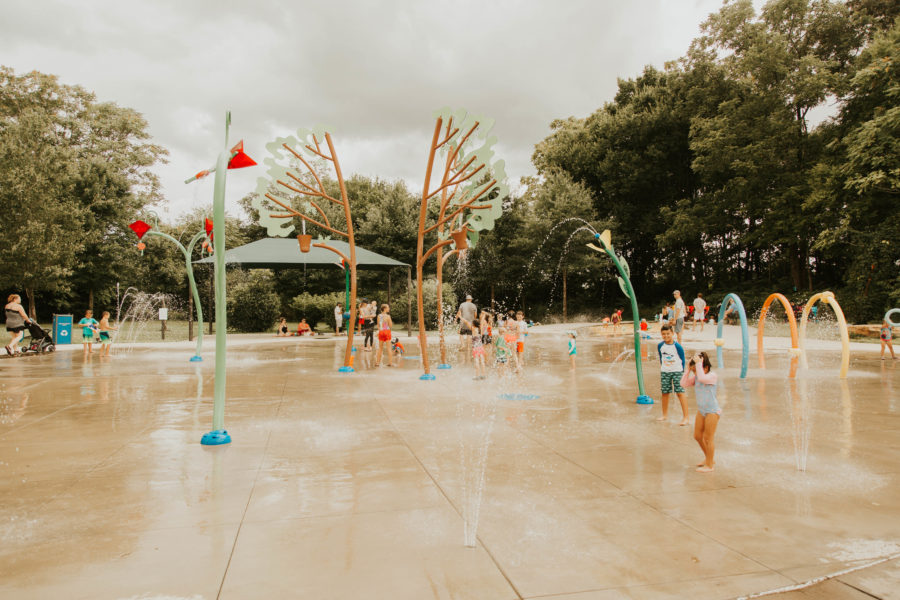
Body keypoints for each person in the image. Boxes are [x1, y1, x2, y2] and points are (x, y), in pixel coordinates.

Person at [682, 351, 720, 472]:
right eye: (694, 371)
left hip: (712, 411)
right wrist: (688, 370)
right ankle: (709, 458)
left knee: (708, 438)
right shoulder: (697, 376)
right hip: (702, 410)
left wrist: (699, 363)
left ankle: (710, 465)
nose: (696, 373)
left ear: (706, 367)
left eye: (697, 369)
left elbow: (703, 378)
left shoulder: (712, 376)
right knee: (698, 436)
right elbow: (683, 383)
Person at [656, 324, 689, 426]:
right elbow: (662, 358)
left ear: (672, 333)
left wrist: (682, 372)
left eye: (668, 334)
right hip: (665, 371)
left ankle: (686, 417)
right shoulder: (660, 345)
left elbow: (682, 359)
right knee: (665, 393)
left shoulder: (677, 346)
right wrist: (664, 368)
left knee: (680, 393)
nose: (666, 336)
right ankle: (664, 415)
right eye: (663, 334)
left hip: (677, 371)